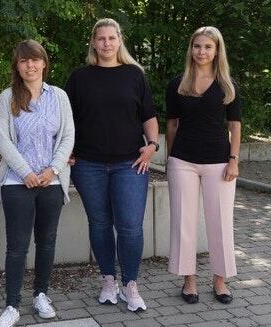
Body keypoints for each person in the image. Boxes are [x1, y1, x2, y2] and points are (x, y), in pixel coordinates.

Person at [65, 18, 158, 312]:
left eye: (111, 38)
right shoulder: (79, 77)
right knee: (100, 224)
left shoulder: (135, 75)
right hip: (88, 164)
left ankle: (130, 284)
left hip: (130, 164)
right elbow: (66, 121)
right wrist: (65, 151)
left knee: (130, 227)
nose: (106, 43)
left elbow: (149, 116)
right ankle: (108, 280)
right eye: (100, 38)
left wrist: (152, 146)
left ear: (120, 41)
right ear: (93, 42)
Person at [0, 39, 75, 327]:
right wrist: (26, 171)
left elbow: (67, 137)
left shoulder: (59, 97)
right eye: (24, 61)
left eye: (35, 60)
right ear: (17, 65)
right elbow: (2, 139)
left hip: (51, 183)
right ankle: (12, 305)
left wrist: (53, 170)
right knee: (17, 246)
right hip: (17, 182)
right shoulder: (8, 97)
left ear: (44, 63)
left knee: (47, 241)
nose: (30, 65)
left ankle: (41, 294)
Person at [166, 26, 241, 305]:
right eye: (197, 46)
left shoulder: (228, 85)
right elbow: (171, 124)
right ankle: (189, 280)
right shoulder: (177, 84)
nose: (201, 52)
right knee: (184, 222)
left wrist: (234, 160)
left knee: (220, 223)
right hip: (182, 161)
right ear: (191, 49)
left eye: (208, 47)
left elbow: (235, 126)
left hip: (219, 163)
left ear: (217, 50)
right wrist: (172, 158)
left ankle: (220, 280)